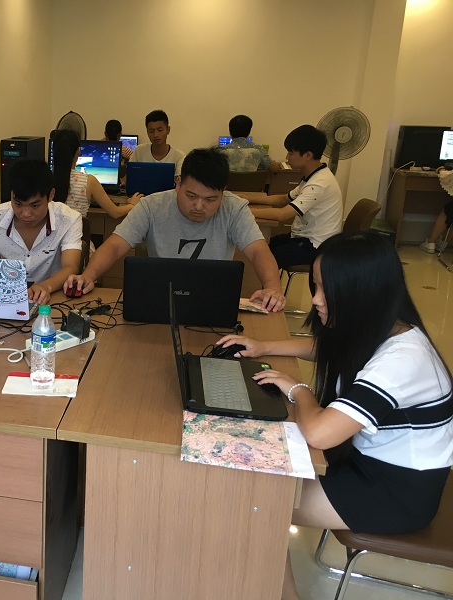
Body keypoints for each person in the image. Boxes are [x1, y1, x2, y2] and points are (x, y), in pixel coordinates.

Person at [215, 231, 453, 600]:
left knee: (256, 501)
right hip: (369, 464)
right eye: (316, 285)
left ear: (363, 291)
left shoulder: (403, 360)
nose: (316, 299)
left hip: (395, 492)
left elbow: (320, 434)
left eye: (327, 289)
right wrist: (263, 346)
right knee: (258, 478)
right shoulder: (385, 326)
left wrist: (298, 390)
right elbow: (324, 347)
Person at [64, 147, 287, 312]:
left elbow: (258, 251)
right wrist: (89, 276)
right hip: (160, 300)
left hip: (212, 302)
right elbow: (115, 245)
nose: (199, 206)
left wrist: (272, 288)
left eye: (210, 199)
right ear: (178, 183)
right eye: (191, 196)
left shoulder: (234, 208)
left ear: (223, 192)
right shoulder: (151, 206)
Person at [0, 158, 82, 306]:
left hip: (54, 298)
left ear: (51, 195)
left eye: (35, 206)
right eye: (18, 204)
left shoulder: (69, 219)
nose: (26, 214)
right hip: (7, 299)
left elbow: (70, 267)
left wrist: (46, 287)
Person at [239, 124, 343, 269]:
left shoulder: (319, 184)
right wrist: (246, 197)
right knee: (260, 244)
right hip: (303, 237)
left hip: (316, 245)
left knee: (264, 256)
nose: (287, 158)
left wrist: (241, 210)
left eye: (291, 153)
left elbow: (282, 214)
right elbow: (283, 199)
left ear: (308, 155)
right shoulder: (313, 176)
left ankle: (264, 283)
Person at [52, 128, 142, 220]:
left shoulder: (47, 179)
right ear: (78, 151)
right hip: (75, 229)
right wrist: (132, 204)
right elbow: (115, 213)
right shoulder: (89, 181)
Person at [128, 109, 186, 175]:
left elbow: (179, 180)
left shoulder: (179, 157)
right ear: (147, 132)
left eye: (160, 130)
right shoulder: (139, 151)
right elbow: (129, 175)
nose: (156, 135)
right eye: (151, 131)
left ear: (168, 130)